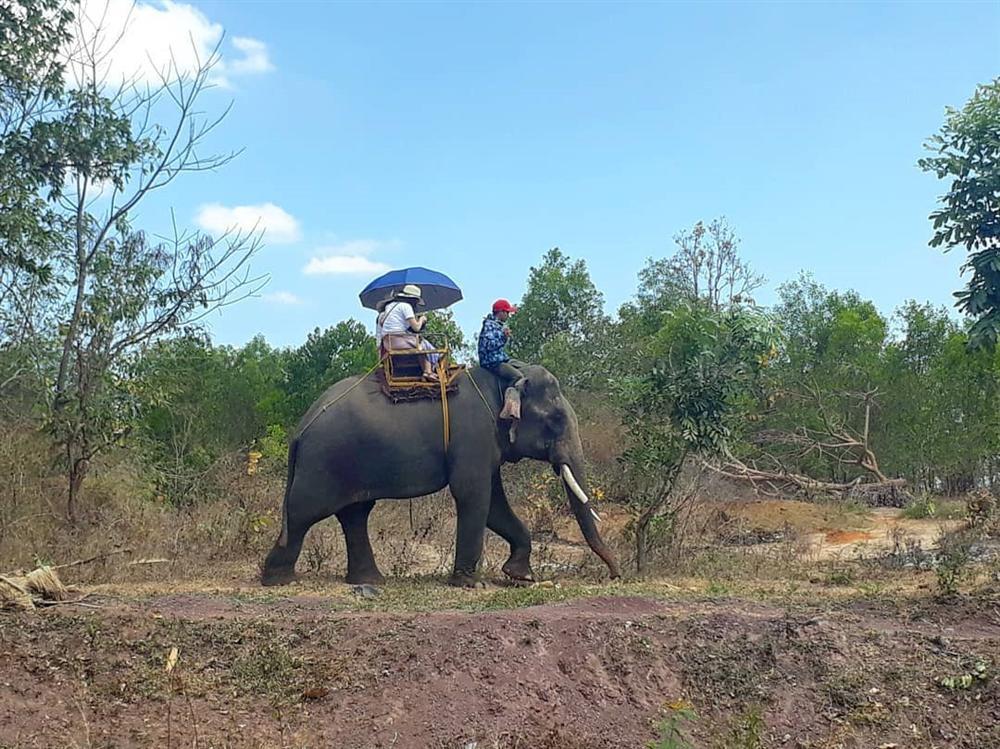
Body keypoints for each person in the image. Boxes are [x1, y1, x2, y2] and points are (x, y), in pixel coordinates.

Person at [377, 284, 439, 381]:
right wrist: (422, 320)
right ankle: (428, 371)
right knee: (423, 344)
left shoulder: (390, 306)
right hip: (398, 340)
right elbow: (416, 328)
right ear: (413, 300)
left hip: (387, 342)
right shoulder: (406, 306)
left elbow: (384, 322)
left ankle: (426, 370)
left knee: (418, 343)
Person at [478, 299, 525, 418]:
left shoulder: (497, 325)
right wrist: (503, 337)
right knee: (517, 376)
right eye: (507, 312)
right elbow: (489, 346)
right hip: (492, 361)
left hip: (501, 358)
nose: (508, 315)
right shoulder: (489, 325)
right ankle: (509, 407)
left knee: (524, 366)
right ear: (501, 312)